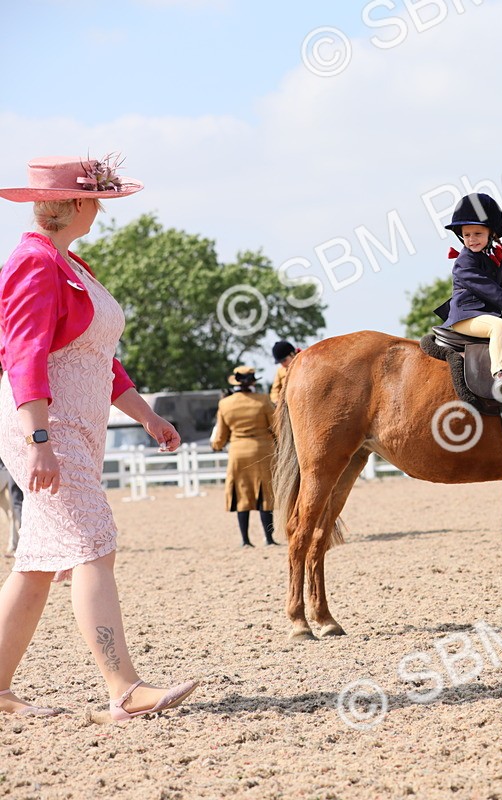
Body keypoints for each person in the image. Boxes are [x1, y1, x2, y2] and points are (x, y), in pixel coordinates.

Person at [0, 154, 198, 719]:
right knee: (94, 545)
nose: (102, 212)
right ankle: (124, 688)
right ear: (81, 203)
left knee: (37, 566)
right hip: (47, 425)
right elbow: (24, 354)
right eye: (100, 202)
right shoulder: (34, 263)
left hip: (75, 427)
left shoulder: (67, 262)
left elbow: (100, 362)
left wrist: (147, 417)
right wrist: (38, 439)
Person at [437, 193, 502, 394]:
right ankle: (500, 374)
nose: (471, 239)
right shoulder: (464, 262)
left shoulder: (496, 256)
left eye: (477, 234)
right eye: (467, 234)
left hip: (484, 313)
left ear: (492, 234)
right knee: (499, 326)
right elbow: (486, 288)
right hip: (466, 316)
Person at [211, 366, 277, 547]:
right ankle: (269, 538)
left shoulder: (225, 404)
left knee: (241, 494)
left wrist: (215, 445)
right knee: (265, 494)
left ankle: (245, 540)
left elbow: (221, 437)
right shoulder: (263, 400)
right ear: (253, 381)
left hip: (238, 452)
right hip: (262, 450)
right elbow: (275, 426)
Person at [270, 340, 298, 406]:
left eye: (284, 360)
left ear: (292, 354)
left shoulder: (305, 364)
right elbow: (275, 390)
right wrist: (276, 400)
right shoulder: (280, 371)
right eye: (280, 362)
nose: (283, 364)